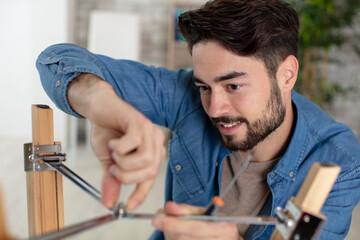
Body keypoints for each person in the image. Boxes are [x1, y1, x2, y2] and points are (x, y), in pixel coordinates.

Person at [36, 0, 360, 239]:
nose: (215, 108)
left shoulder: (340, 161)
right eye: (204, 86)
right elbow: (56, 61)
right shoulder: (185, 97)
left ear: (286, 75)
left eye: (234, 85)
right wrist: (101, 103)